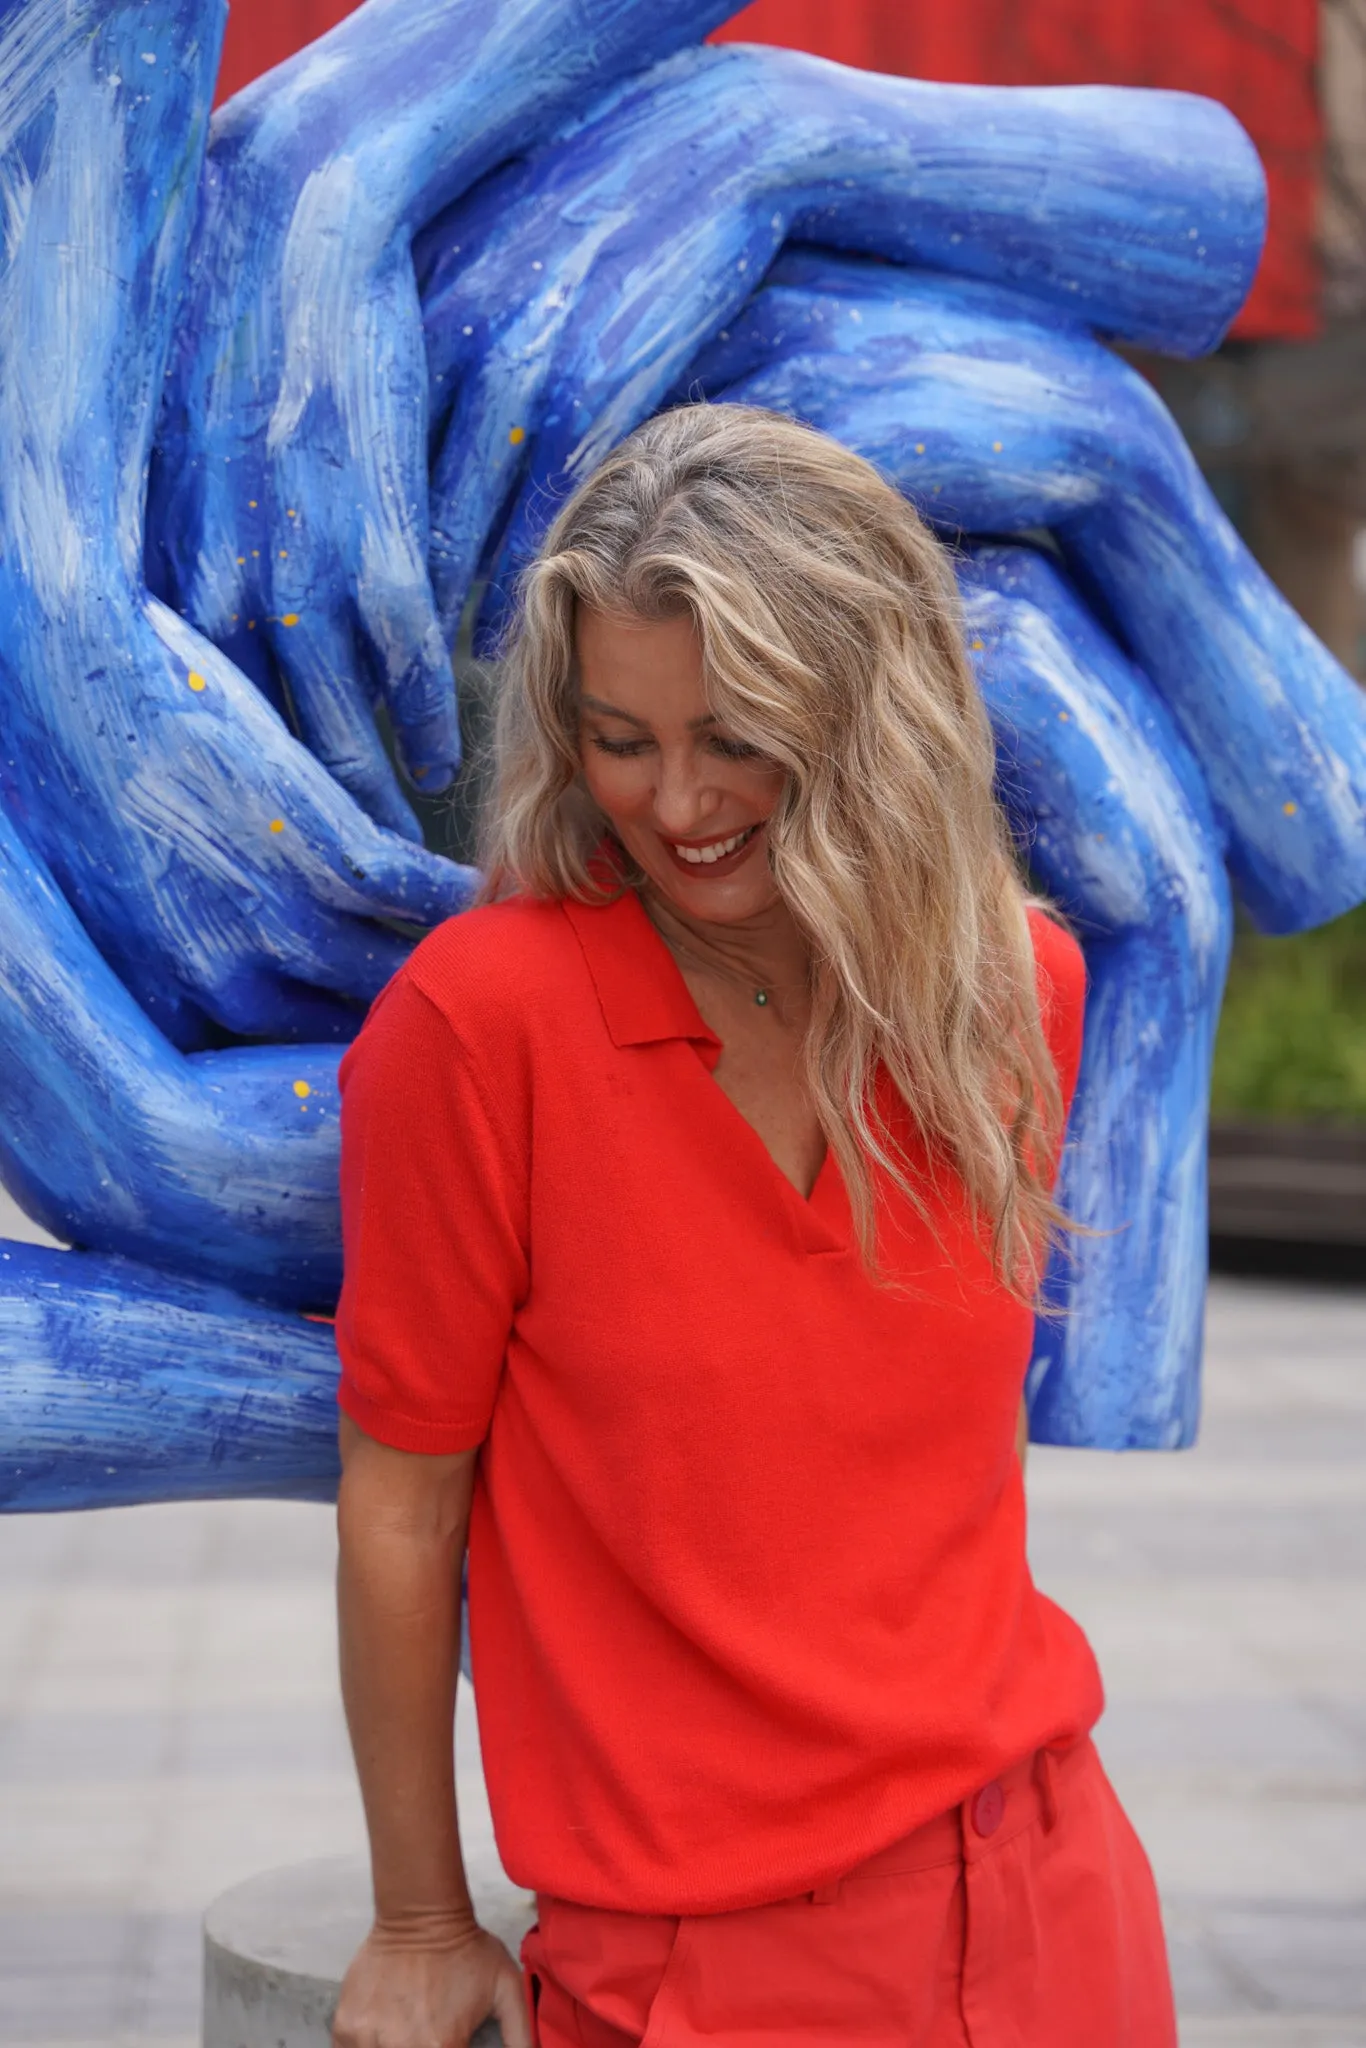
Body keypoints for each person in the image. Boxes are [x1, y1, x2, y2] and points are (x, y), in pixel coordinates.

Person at [329, 405, 1176, 2048]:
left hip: (1048, 1891)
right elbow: (399, 1512)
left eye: (736, 734)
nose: (675, 800)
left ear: (868, 713)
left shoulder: (1007, 994)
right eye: (618, 737)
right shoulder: (480, 1026)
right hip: (695, 1960)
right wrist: (419, 1917)